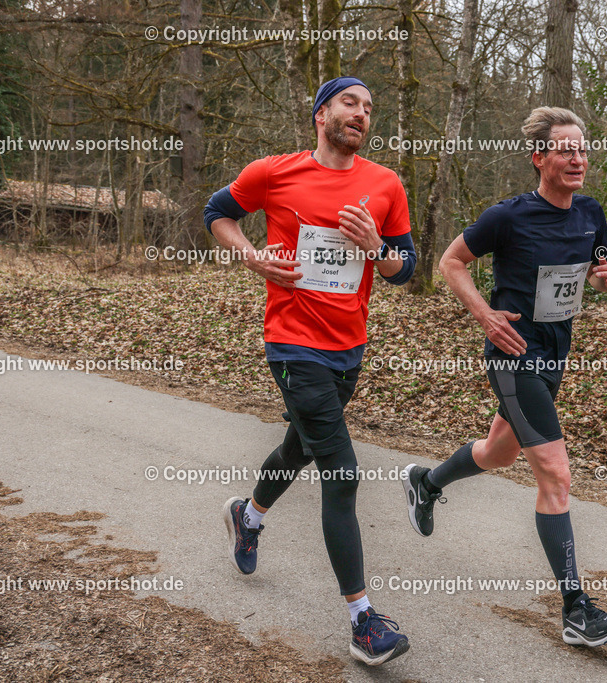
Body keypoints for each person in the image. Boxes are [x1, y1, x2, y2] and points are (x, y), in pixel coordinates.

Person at [401, 106, 607, 647]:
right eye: (566, 150)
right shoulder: (507, 216)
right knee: (555, 474)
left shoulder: (591, 213)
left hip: (555, 354)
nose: (578, 158)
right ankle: (576, 609)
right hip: (513, 355)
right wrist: (485, 315)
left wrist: (606, 279)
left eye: (582, 150)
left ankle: (426, 483)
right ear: (539, 158)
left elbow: (596, 272)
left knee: (499, 452)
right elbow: (450, 262)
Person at [205, 76, 415, 666]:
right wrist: (254, 258)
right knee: (341, 473)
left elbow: (405, 267)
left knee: (299, 447)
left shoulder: (385, 184)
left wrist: (377, 247)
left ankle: (248, 516)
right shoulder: (274, 173)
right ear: (321, 114)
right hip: (293, 345)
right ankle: (362, 622)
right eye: (350, 102)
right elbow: (217, 212)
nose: (362, 113)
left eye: (369, 107)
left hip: (349, 347)